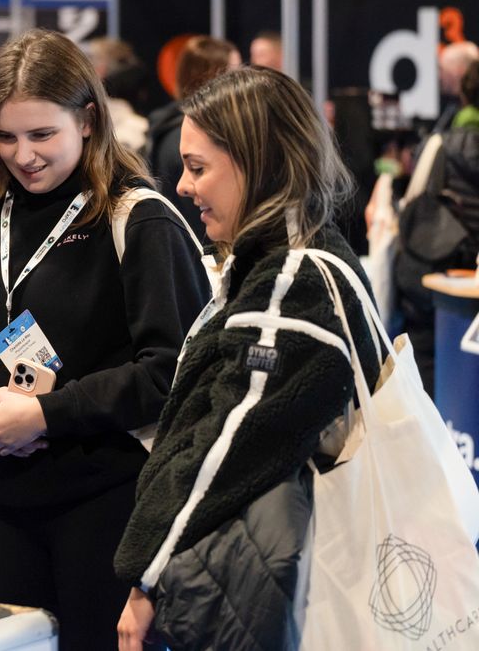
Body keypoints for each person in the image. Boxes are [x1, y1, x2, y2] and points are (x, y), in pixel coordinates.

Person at [0, 29, 210, 650]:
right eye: (6, 137)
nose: (23, 155)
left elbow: (175, 371)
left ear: (88, 120)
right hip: (2, 500)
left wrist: (48, 414)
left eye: (42, 134)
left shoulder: (140, 219)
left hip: (112, 504)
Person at [114, 67, 382, 650]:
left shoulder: (292, 279)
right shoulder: (295, 256)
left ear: (257, 165)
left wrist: (145, 574)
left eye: (198, 167)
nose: (183, 186)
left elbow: (228, 443)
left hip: (270, 586)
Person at [394, 58, 479, 395]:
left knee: (427, 374)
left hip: (439, 272)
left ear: (464, 96)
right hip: (469, 277)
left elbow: (413, 205)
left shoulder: (440, 143)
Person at [146, 35, 240, 242]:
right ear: (213, 78)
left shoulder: (167, 127)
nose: (242, 84)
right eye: (234, 73)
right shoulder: (190, 134)